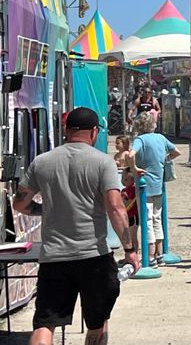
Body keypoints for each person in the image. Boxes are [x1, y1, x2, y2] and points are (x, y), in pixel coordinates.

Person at [12, 107, 140, 345]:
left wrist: (44, 209)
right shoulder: (103, 162)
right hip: (94, 256)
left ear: (66, 130)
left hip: (54, 257)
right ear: (94, 132)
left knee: (45, 325)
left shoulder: (42, 162)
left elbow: (19, 204)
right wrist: (130, 250)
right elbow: (115, 208)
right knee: (97, 323)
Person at [127, 111, 180, 267]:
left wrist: (134, 168)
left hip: (144, 185)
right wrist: (165, 159)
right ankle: (159, 254)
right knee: (157, 219)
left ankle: (149, 256)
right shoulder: (161, 138)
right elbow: (176, 152)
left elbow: (130, 154)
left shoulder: (140, 139)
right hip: (159, 184)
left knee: (147, 220)